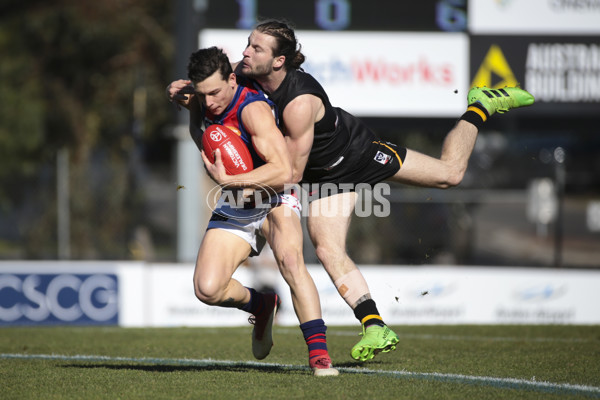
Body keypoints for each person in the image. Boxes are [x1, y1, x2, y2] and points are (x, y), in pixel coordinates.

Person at [167, 21, 535, 362]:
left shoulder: (299, 102)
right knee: (326, 247)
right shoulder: (244, 71)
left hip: (353, 155)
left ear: (279, 60)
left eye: (256, 48)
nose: (246, 53)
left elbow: (290, 173)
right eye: (247, 45)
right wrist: (189, 89)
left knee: (449, 175)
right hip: (316, 176)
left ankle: (479, 106)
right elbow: (220, 75)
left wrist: (236, 180)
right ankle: (374, 325)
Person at [178, 46, 338, 376]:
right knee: (207, 289)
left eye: (215, 93)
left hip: (276, 193)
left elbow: (282, 171)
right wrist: (187, 102)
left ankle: (320, 356)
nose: (209, 102)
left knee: (291, 261)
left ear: (232, 79)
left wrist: (230, 181)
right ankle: (261, 305)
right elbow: (202, 131)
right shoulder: (202, 99)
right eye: (202, 94)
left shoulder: (252, 110)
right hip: (239, 198)